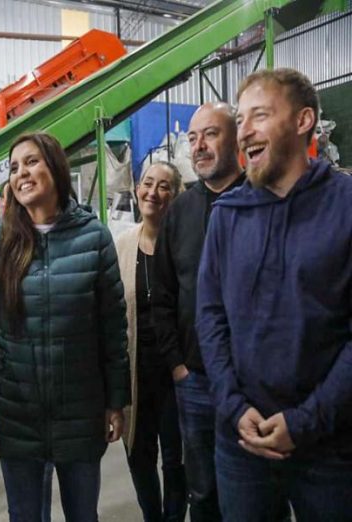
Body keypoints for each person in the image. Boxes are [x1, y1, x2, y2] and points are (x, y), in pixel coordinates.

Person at [196, 68, 352, 521]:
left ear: (303, 121)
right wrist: (232, 406)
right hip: (241, 442)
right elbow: (210, 317)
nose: (243, 131)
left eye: (259, 116)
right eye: (239, 120)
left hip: (331, 445)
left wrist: (305, 421)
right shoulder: (227, 215)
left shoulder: (345, 206)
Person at [0, 132, 130, 521]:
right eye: (13, 168)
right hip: (16, 414)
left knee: (83, 514)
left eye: (31, 162)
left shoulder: (94, 238)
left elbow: (112, 328)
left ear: (55, 168)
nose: (20, 173)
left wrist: (116, 402)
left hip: (81, 412)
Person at [152, 102, 245, 522]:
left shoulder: (261, 200)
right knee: (203, 490)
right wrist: (177, 365)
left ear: (236, 138)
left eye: (211, 134)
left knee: (255, 491)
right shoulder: (179, 213)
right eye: (192, 137)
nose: (199, 145)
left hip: (254, 382)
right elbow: (163, 295)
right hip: (196, 381)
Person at [115, 161, 186, 522]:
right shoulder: (122, 246)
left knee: (176, 458)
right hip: (135, 374)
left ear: (175, 195)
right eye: (147, 183)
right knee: (139, 455)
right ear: (137, 188)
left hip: (176, 374)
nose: (152, 193)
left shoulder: (185, 246)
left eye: (163, 186)